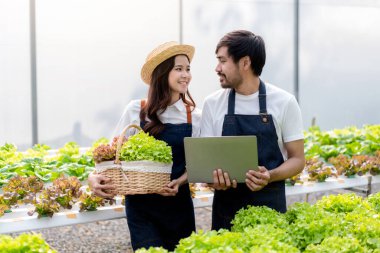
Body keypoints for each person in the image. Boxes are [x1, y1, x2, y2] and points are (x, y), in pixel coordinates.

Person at [88, 41, 201, 251]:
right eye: (178, 69)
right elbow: (113, 154)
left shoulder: (194, 116)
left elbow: (199, 163)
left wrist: (180, 180)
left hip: (178, 205)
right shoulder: (136, 110)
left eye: (188, 69)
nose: (186, 74)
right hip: (141, 208)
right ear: (162, 73)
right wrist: (93, 176)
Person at [200, 30, 305, 230]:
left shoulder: (284, 102)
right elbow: (206, 165)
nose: (217, 68)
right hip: (226, 213)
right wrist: (213, 181)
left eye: (222, 61)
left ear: (245, 63)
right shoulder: (212, 104)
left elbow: (298, 160)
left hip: (269, 210)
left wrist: (270, 175)